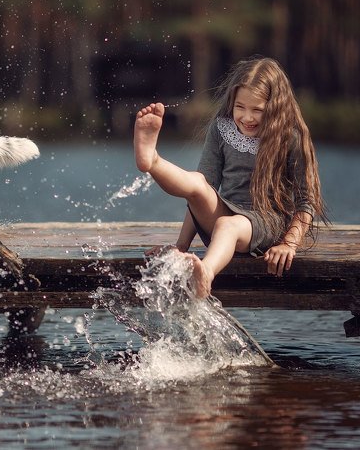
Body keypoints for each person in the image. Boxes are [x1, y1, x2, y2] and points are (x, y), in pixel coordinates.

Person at [133, 57, 328, 298]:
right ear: (232, 102)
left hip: (266, 223)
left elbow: (306, 202)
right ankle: (152, 161)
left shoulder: (290, 137)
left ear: (276, 107)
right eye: (240, 107)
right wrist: (181, 245)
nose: (247, 117)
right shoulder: (221, 129)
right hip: (224, 215)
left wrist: (289, 244)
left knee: (228, 225)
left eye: (257, 110)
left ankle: (206, 272)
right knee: (198, 183)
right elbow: (199, 195)